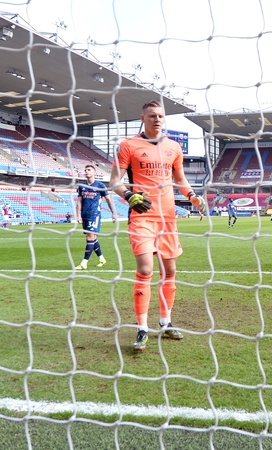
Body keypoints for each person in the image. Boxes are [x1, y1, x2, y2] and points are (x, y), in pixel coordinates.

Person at [108, 100, 208, 353]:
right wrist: (129, 196)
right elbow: (114, 182)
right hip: (142, 216)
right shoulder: (127, 145)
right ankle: (142, 328)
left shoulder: (174, 147)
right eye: (152, 115)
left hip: (168, 218)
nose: (157, 119)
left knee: (170, 270)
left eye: (160, 116)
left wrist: (193, 196)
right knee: (145, 269)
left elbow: (180, 179)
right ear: (143, 118)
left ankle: (165, 322)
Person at [75, 165, 116, 269]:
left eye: (89, 170)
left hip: (94, 214)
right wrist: (78, 214)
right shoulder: (81, 186)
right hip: (85, 215)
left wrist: (113, 213)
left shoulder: (100, 185)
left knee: (90, 237)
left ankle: (84, 263)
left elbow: (108, 199)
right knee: (93, 238)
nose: (86, 171)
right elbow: (79, 201)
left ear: (94, 172)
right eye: (85, 170)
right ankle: (102, 258)